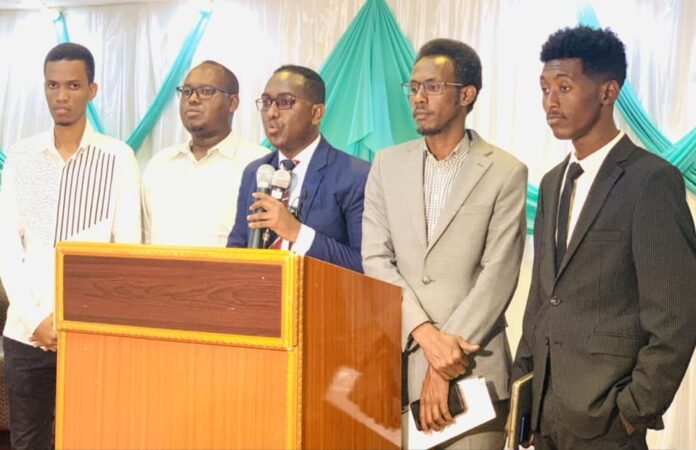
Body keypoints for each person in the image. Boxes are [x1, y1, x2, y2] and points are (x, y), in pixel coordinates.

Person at [512, 26, 696, 450]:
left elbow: (676, 315)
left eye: (564, 87)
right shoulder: (553, 181)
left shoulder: (652, 181)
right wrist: (525, 391)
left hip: (608, 423)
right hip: (544, 417)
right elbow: (542, 299)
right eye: (544, 89)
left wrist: (632, 412)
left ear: (608, 91)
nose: (550, 103)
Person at [362, 38, 528, 448]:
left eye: (432, 87)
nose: (418, 97)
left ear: (466, 95)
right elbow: (376, 258)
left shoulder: (506, 171)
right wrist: (425, 335)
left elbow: (498, 275)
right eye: (413, 87)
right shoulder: (386, 164)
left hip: (473, 372)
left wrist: (443, 365)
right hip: (395, 369)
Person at [0, 42, 140, 449]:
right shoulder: (24, 157)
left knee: (91, 437)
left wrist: (78, 319)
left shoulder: (117, 158)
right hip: (26, 333)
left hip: (92, 331)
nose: (62, 96)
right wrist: (35, 318)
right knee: (28, 440)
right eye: (53, 85)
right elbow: (9, 247)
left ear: (92, 90)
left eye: (74, 85)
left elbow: (126, 250)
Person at [226, 65, 369, 272]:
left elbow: (364, 264)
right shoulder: (256, 172)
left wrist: (296, 232)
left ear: (316, 113)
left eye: (285, 102)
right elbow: (237, 247)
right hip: (258, 297)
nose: (271, 113)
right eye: (266, 102)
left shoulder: (356, 176)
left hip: (320, 300)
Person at [141, 61, 267, 247]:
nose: (193, 99)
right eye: (187, 91)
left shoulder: (259, 165)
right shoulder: (160, 164)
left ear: (232, 102)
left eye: (206, 91)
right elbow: (145, 242)